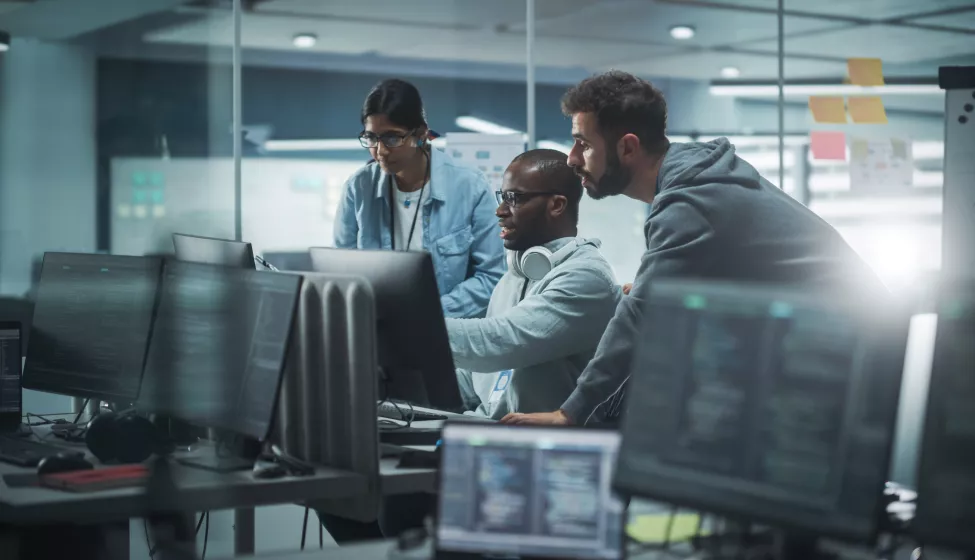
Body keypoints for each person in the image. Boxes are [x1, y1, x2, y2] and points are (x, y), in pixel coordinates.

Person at [501, 70, 887, 427]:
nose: (572, 159)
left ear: (628, 148)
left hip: (852, 362)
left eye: (583, 144)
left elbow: (640, 319)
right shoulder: (692, 178)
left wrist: (570, 413)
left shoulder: (689, 201)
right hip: (839, 349)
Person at [449, 149, 621, 419]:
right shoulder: (513, 278)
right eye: (502, 197)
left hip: (549, 449)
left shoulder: (587, 278)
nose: (500, 211)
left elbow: (502, 342)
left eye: (514, 199)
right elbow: (476, 382)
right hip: (488, 432)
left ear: (556, 205)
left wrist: (418, 330)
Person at [333, 78, 504, 318]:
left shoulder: (470, 186)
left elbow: (492, 277)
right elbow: (341, 271)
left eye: (392, 138)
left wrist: (428, 314)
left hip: (446, 335)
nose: (380, 151)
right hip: (378, 332)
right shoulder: (358, 188)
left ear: (421, 134)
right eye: (371, 138)